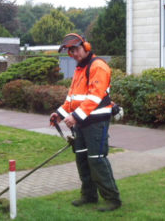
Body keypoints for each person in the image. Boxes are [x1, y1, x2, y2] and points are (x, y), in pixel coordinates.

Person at [50, 33, 122, 212]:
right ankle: (89, 195)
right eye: (70, 51)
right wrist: (59, 113)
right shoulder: (79, 69)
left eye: (75, 49)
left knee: (96, 160)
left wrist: (75, 116)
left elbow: (94, 97)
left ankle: (113, 199)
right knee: (82, 159)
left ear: (86, 47)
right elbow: (72, 98)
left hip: (96, 122)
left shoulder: (98, 66)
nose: (73, 53)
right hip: (82, 123)